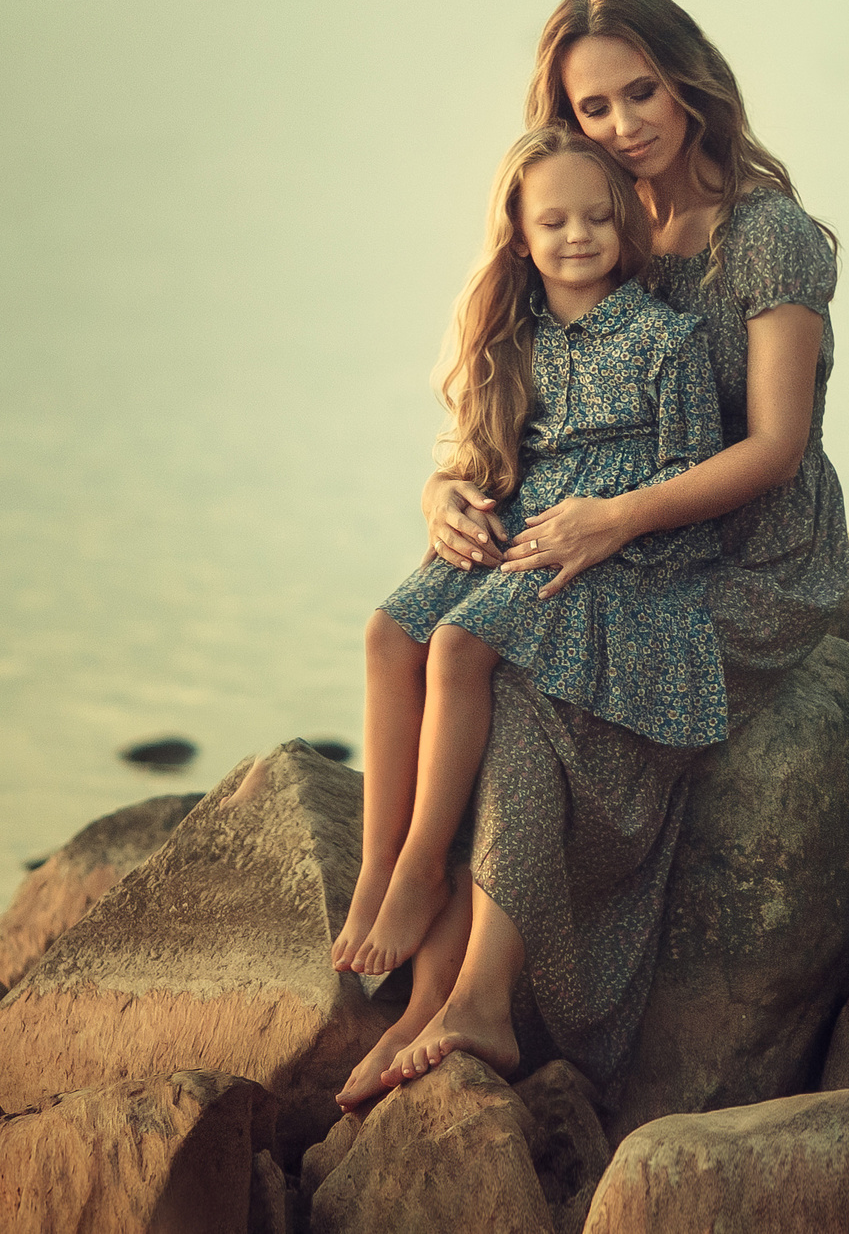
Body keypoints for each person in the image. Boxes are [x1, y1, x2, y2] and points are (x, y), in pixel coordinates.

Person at [358, 0, 844, 1107]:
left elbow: (776, 444)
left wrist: (614, 519)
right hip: (611, 534)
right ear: (563, 119)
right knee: (456, 630)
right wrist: (445, 490)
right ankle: (433, 998)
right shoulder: (587, 219)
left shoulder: (764, 239)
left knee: (526, 679)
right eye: (593, 107)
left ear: (690, 79)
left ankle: (477, 1000)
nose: (625, 124)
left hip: (747, 557)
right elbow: (531, 402)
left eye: (641, 90)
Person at [329, 124, 733, 1098]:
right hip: (522, 525)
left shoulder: (665, 340)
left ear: (626, 225)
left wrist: (619, 529)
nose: (578, 235)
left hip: (617, 562)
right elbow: (468, 454)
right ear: (516, 230)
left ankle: (426, 870)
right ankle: (382, 864)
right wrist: (446, 498)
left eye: (598, 216)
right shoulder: (513, 337)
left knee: (466, 641)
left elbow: (696, 487)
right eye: (553, 219)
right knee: (394, 630)